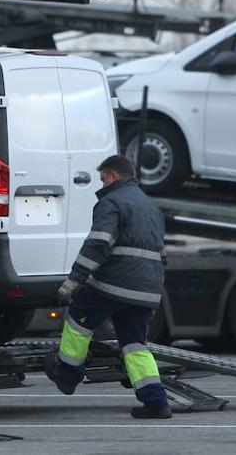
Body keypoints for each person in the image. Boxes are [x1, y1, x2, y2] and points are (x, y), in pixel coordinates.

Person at [44, 154, 170, 420]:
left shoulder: (112, 202)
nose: (100, 186)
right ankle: (156, 402)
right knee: (135, 344)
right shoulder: (150, 205)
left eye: (102, 180)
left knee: (79, 318)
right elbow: (162, 253)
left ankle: (66, 375)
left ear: (113, 176)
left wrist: (74, 280)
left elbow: (99, 244)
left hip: (115, 282)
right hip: (147, 287)